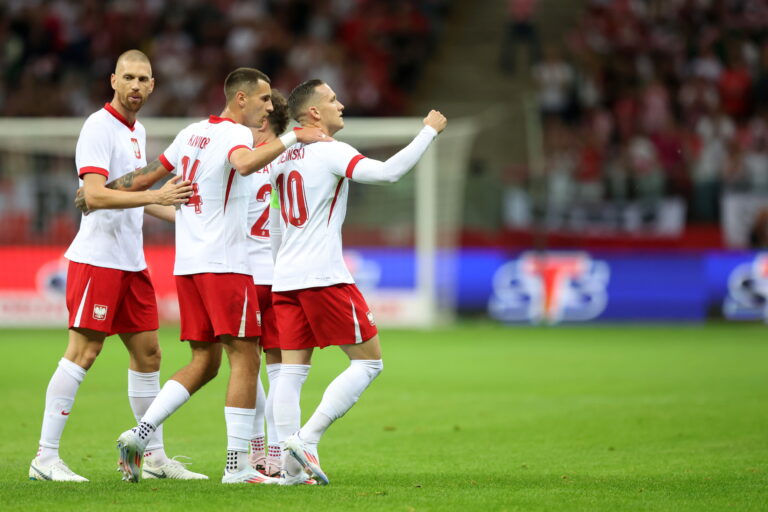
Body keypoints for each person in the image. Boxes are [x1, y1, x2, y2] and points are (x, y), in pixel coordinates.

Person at [105, 68, 330, 485]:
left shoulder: (191, 132)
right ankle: (238, 466)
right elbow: (244, 165)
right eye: (264, 99)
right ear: (241, 99)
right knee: (246, 359)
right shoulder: (236, 138)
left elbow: (146, 178)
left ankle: (138, 434)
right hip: (226, 266)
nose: (268, 107)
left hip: (187, 265)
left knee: (205, 363)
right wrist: (294, 136)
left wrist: (100, 192)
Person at [29, 49, 203, 482]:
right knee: (83, 352)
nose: (136, 86)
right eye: (128, 77)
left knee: (149, 355)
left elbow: (134, 199)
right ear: (112, 80)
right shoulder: (97, 126)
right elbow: (94, 195)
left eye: (144, 79)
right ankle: (45, 457)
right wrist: (154, 196)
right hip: (98, 259)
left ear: (153, 85)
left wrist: (189, 218)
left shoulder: (137, 131)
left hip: (131, 260)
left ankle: (154, 456)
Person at [269, 79, 447, 485]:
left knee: (291, 372)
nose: (341, 105)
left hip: (286, 278)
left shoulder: (281, 157)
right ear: (313, 113)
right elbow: (388, 173)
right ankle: (307, 438)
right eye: (332, 100)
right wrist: (428, 131)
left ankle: (290, 469)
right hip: (323, 276)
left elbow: (277, 223)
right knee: (368, 361)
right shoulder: (330, 151)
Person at [244, 90, 296, 481]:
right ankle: (276, 453)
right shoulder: (288, 162)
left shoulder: (241, 160)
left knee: (245, 365)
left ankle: (257, 448)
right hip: (277, 275)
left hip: (239, 275)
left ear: (263, 121)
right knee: (280, 369)